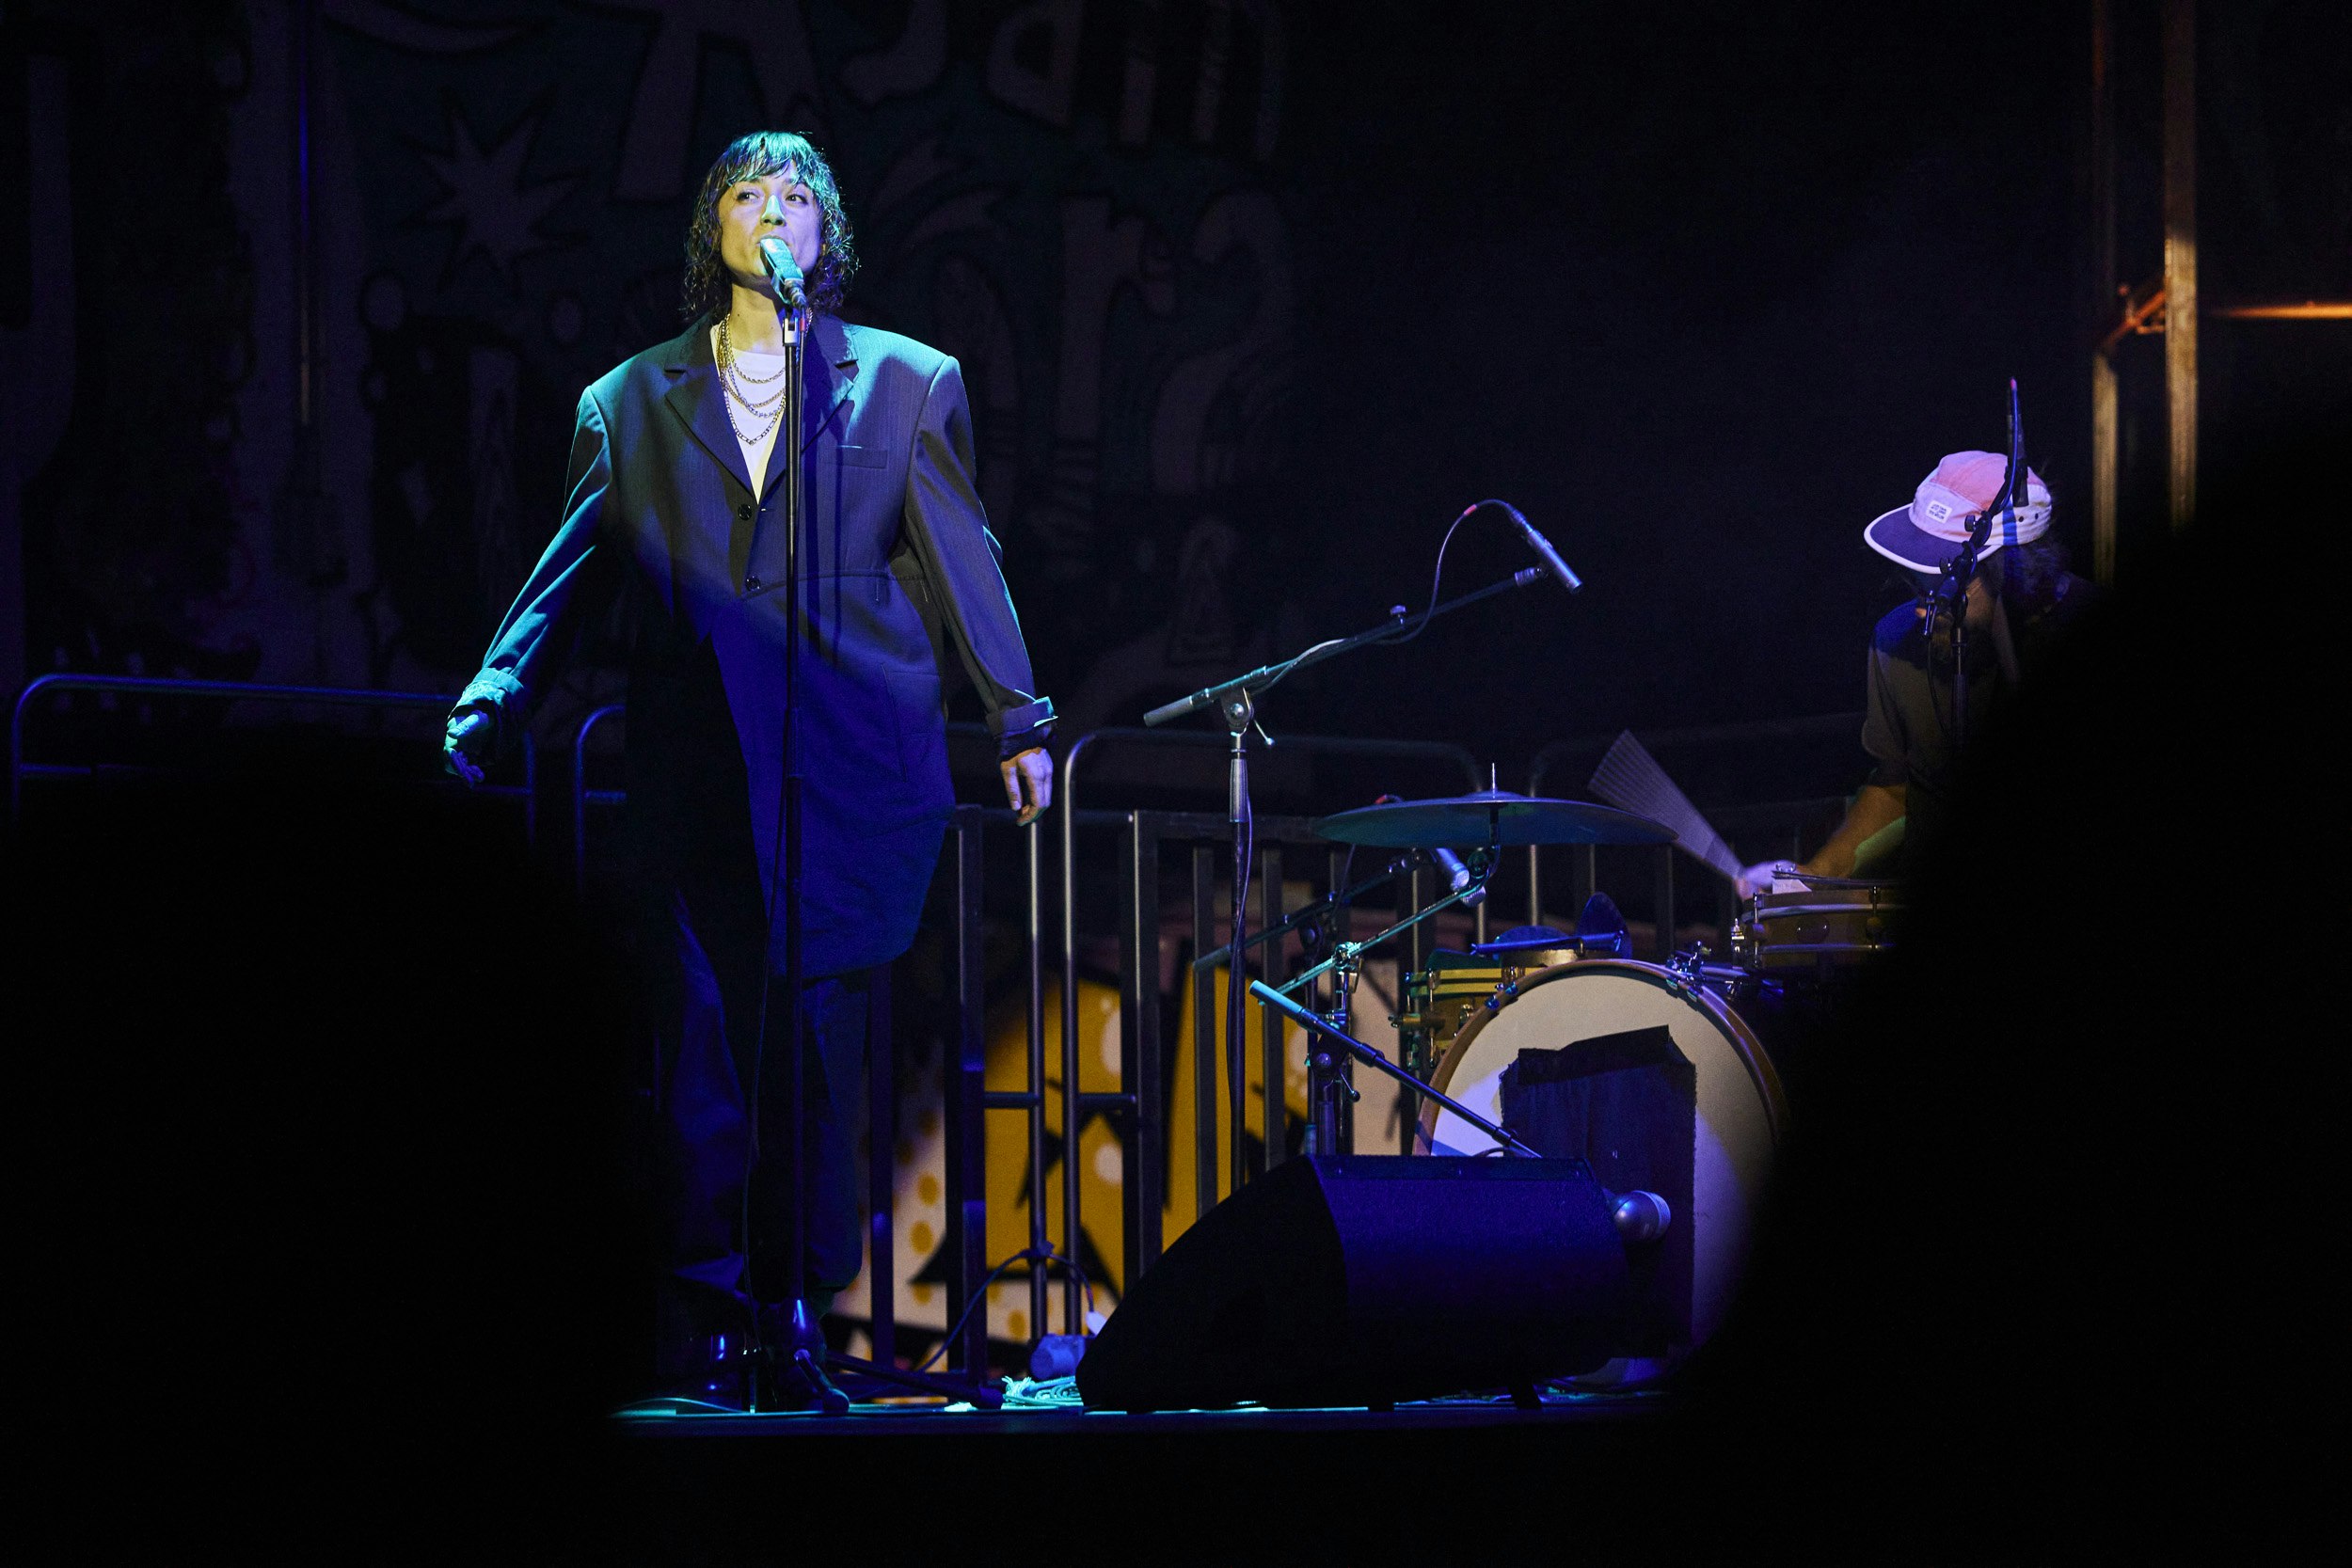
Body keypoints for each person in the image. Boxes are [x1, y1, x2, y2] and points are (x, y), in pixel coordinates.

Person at [441, 130, 1055, 1403]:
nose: (772, 210)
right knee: (702, 1046)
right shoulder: (626, 402)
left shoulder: (904, 382)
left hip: (850, 770)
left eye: (796, 196)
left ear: (827, 235)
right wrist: (498, 689)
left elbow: (961, 554)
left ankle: (794, 1308)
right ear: (710, 228)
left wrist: (1018, 717)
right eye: (745, 193)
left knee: (816, 1052)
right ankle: (713, 1319)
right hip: (695, 773)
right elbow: (569, 569)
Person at [1738, 451, 2093, 895]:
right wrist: (1811, 878)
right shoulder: (1896, 641)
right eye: (1916, 583)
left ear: (2013, 570)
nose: (1924, 608)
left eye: (1944, 584)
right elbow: (1898, 787)